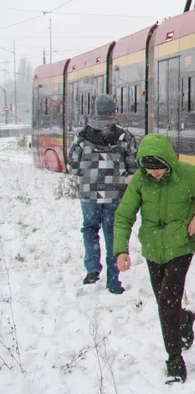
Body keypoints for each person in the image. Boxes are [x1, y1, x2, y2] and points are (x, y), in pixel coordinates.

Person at [113, 133, 195, 384]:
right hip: (153, 249)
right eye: (150, 170)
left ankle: (174, 360)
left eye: (159, 169)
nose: (155, 174)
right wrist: (121, 250)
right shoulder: (140, 181)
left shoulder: (186, 175)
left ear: (168, 163)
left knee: (166, 304)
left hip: (180, 248)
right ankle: (185, 320)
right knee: (168, 306)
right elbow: (123, 216)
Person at [67, 94, 138, 294]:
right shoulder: (124, 136)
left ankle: (92, 269)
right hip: (115, 196)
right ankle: (114, 282)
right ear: (113, 112)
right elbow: (134, 167)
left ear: (96, 111)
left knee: (90, 229)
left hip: (89, 195)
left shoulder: (81, 136)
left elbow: (71, 166)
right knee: (113, 235)